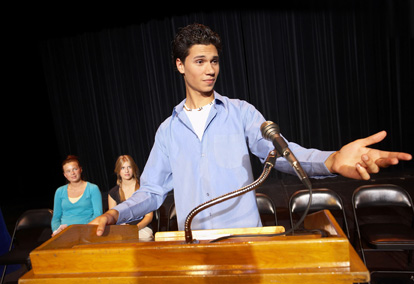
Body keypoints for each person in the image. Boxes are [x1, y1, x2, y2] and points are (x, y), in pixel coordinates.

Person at [90, 23, 412, 236]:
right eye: (200, 61)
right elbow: (152, 191)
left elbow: (282, 152)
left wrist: (331, 160)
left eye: (214, 61)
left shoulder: (241, 112)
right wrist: (116, 214)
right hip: (195, 244)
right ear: (180, 65)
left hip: (247, 242)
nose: (210, 69)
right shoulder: (167, 131)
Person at [52, 155, 103, 236]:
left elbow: (98, 214)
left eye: (75, 169)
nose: (72, 173)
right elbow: (56, 217)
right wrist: (56, 231)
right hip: (64, 233)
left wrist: (83, 228)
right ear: (65, 175)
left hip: (87, 231)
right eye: (68, 171)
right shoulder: (60, 191)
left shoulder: (92, 188)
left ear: (80, 169)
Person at [108, 155, 154, 239]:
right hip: (121, 229)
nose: (126, 171)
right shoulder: (113, 193)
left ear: (133, 168)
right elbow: (112, 218)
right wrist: (123, 228)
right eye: (123, 168)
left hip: (141, 228)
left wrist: (135, 228)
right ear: (118, 171)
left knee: (143, 237)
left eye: (129, 167)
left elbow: (149, 216)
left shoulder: (143, 188)